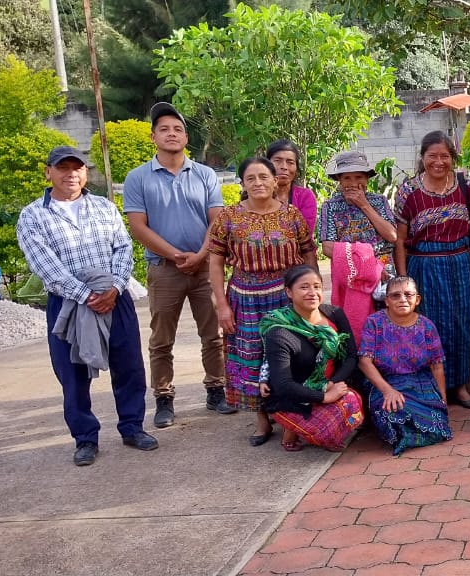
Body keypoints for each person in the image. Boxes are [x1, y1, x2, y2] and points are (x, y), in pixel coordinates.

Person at [16, 146, 158, 466]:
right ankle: (85, 438)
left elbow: (123, 248)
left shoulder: (104, 207)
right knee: (72, 373)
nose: (71, 174)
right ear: (48, 172)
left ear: (85, 173)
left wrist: (115, 287)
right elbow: (44, 265)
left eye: (77, 168)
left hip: (115, 297)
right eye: (63, 168)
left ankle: (132, 427)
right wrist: (85, 295)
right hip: (69, 303)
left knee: (129, 365)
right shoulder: (33, 215)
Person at [122, 102, 234, 428]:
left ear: (186, 138)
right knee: (161, 340)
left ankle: (216, 390)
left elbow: (217, 220)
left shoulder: (205, 175)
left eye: (178, 129)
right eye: (164, 129)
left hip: (205, 267)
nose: (171, 134)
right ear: (153, 136)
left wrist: (200, 255)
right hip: (163, 269)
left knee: (213, 334)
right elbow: (138, 227)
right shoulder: (138, 178)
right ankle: (164, 398)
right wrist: (175, 255)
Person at [209, 157, 317, 446]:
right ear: (242, 184)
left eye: (263, 177)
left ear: (275, 180)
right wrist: (221, 304)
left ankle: (290, 416)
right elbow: (215, 262)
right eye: (251, 178)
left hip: (286, 296)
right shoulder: (229, 217)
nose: (258, 183)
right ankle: (262, 420)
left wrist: (312, 294)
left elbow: (308, 253)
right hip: (245, 299)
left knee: (291, 356)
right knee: (251, 357)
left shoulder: (291, 215)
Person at [394, 131, 470, 409]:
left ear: (453, 158)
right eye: (432, 156)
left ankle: (459, 386)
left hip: (460, 263)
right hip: (423, 265)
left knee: (460, 323)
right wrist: (404, 279)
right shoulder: (408, 191)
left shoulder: (464, 184)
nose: (438, 162)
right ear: (423, 157)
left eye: (444, 156)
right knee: (428, 324)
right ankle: (433, 388)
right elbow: (399, 240)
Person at [260, 265, 364, 452]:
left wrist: (331, 384)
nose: (312, 292)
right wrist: (324, 396)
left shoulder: (334, 314)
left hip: (327, 384)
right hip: (292, 397)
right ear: (289, 292)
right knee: (327, 433)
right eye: (304, 287)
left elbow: (351, 356)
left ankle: (307, 424)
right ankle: (291, 428)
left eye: (317, 286)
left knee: (353, 402)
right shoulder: (279, 332)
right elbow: (283, 385)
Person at [357, 276, 453, 455]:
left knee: (438, 422)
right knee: (391, 413)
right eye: (395, 295)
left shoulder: (427, 326)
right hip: (385, 382)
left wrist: (443, 400)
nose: (402, 299)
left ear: (417, 299)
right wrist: (387, 391)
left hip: (420, 383)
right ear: (386, 301)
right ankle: (406, 436)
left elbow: (437, 365)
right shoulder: (374, 323)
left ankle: (414, 436)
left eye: (408, 295)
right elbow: (364, 362)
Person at [317, 150, 398, 333]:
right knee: (355, 327)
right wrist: (369, 265)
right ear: (339, 180)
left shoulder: (379, 201)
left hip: (385, 274)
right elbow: (328, 247)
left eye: (359, 177)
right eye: (347, 178)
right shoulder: (330, 206)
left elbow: (392, 235)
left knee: (388, 325)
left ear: (367, 178)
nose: (353, 183)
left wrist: (364, 205)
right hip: (351, 277)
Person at [267, 139, 319, 234]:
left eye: (290, 162)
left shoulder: (305, 196)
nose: (284, 167)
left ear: (296, 168)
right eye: (277, 161)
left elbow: (304, 234)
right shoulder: (257, 195)